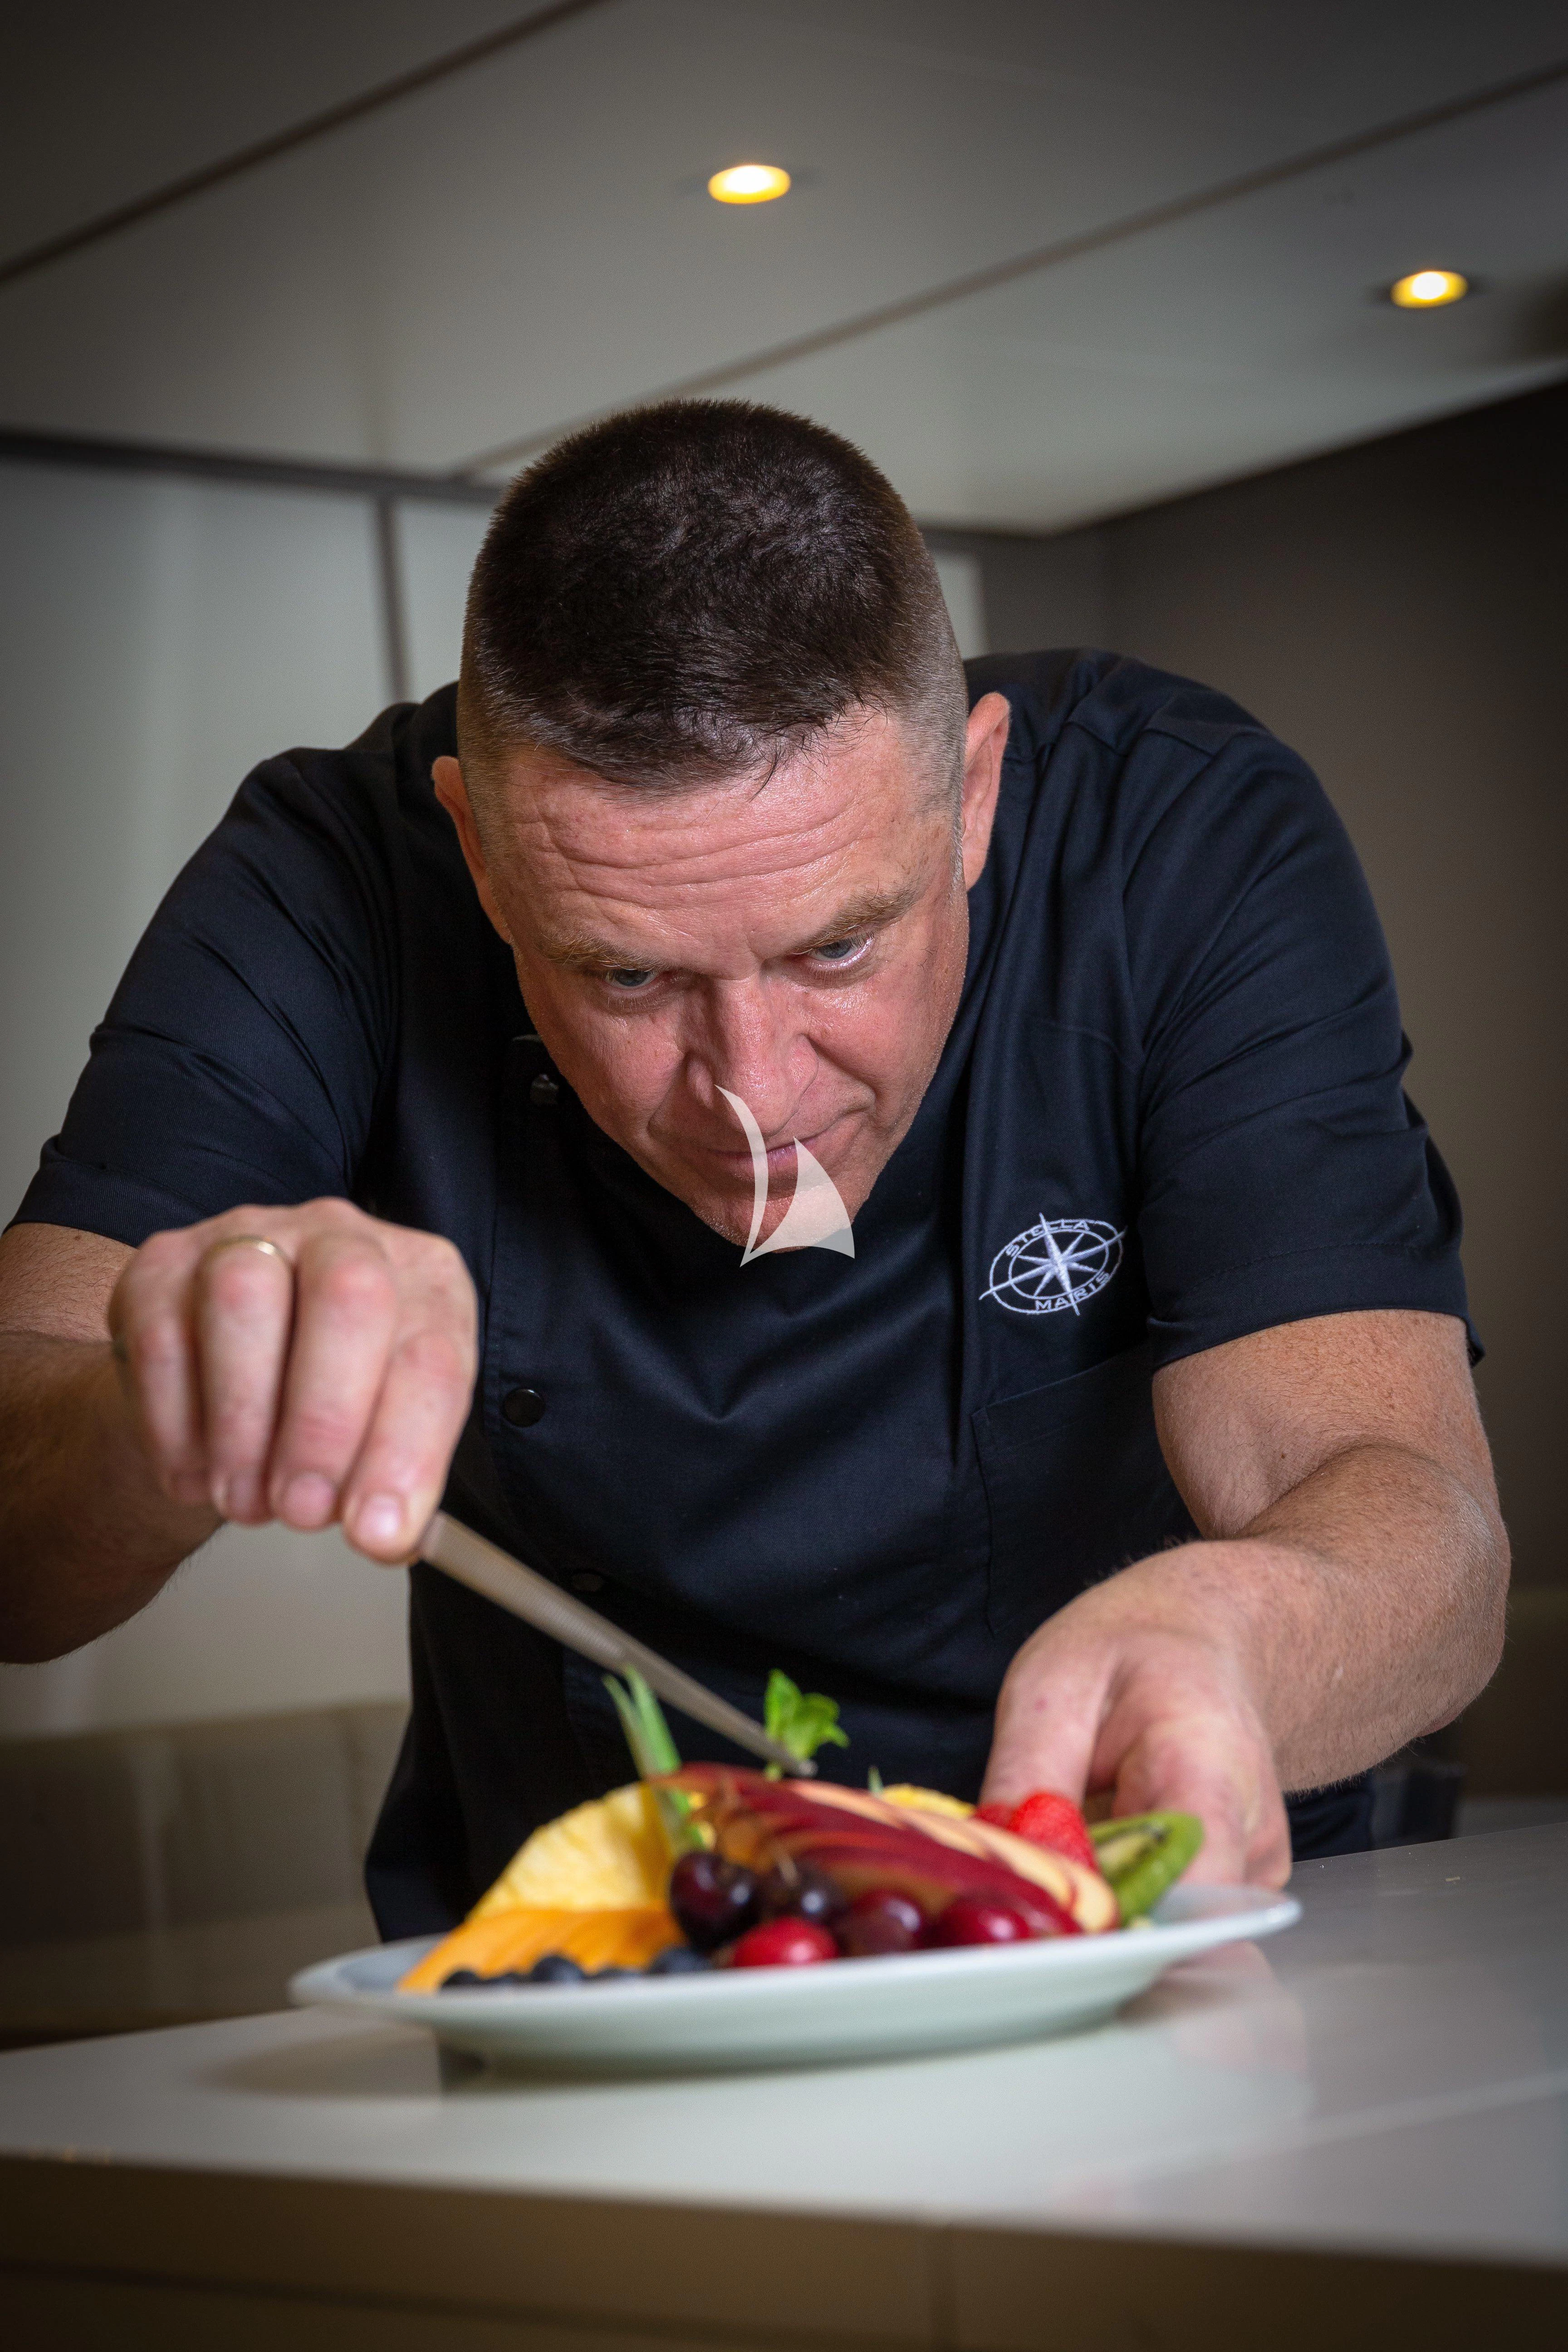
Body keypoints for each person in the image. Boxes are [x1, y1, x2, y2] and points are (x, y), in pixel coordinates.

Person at [0, 402, 1506, 1934]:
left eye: (838, 946)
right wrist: (162, 1387)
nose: (752, 1095)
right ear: (476, 851)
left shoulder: (1182, 837)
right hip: (609, 1978)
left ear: (975, 797)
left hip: (1181, 1925)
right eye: (628, 979)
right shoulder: (324, 883)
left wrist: (1243, 1633)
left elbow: (1415, 1525)